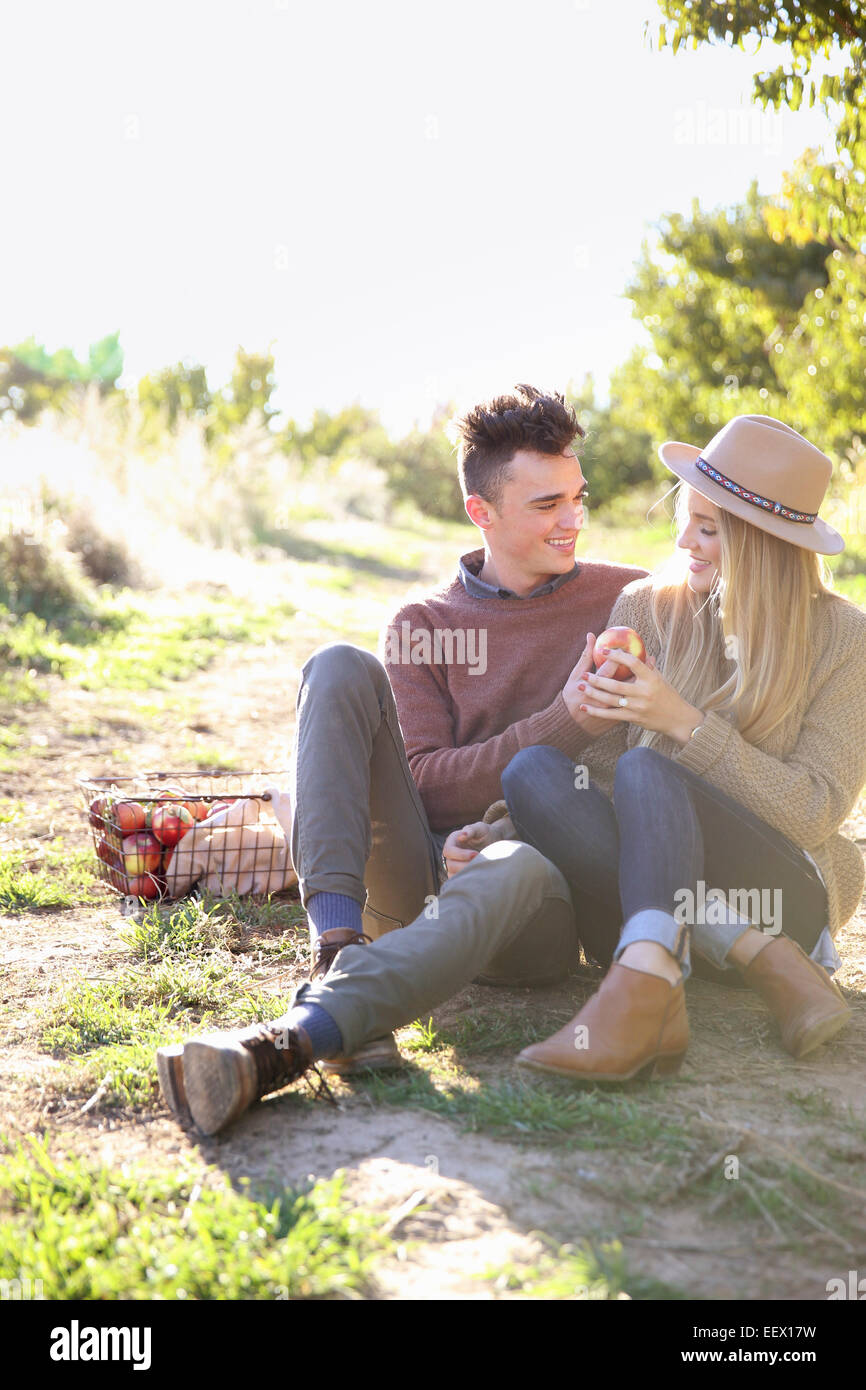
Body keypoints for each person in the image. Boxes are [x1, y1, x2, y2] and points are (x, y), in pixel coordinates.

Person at [157, 385, 646, 1129]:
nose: (572, 521)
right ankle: (337, 953)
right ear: (482, 512)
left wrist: (502, 824)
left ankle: (303, 1034)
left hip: (535, 910)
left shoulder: (630, 600)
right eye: (546, 505)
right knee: (338, 666)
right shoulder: (424, 623)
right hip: (415, 881)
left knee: (509, 862)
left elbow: (641, 764)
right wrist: (565, 720)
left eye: (578, 498)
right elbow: (422, 782)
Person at [503, 413, 866, 1080]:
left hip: (781, 893)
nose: (683, 541)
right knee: (533, 773)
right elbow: (603, 788)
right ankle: (744, 958)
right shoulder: (644, 609)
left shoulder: (846, 640)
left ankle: (668, 974)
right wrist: (502, 828)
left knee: (650, 767)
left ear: (766, 544)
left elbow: (815, 811)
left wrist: (685, 725)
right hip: (651, 896)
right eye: (685, 519)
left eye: (708, 528)